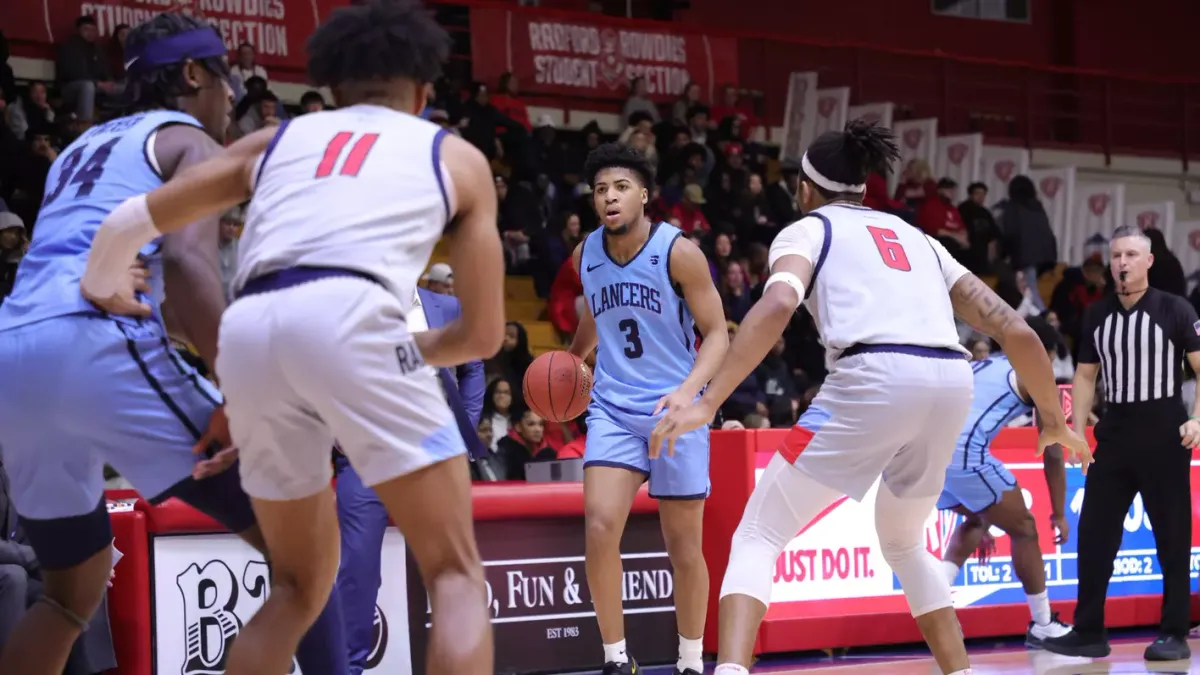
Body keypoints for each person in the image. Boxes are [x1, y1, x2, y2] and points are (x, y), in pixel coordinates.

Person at [77, 2, 504, 674]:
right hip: (356, 311)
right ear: (423, 94)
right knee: (454, 574)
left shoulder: (275, 139)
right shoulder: (455, 155)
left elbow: (127, 222)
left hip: (249, 332)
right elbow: (481, 334)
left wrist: (105, 283)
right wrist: (403, 354)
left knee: (296, 585)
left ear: (332, 91)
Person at [650, 121, 1092, 675]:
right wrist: (1051, 419)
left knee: (759, 532)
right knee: (905, 544)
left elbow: (777, 307)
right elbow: (1017, 330)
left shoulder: (806, 230)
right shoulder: (921, 240)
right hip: (950, 379)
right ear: (862, 187)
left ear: (806, 189)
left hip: (874, 374)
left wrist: (708, 401)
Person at [0, 15, 352, 675]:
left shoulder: (78, 150)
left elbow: (162, 295)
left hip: (12, 355)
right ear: (195, 75)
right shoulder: (189, 141)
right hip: (89, 343)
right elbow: (191, 267)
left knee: (70, 594)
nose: (229, 101)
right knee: (303, 552)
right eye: (226, 82)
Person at [567, 143, 728, 675]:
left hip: (673, 410)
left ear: (642, 195)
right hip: (613, 406)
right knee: (598, 526)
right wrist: (572, 363)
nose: (608, 198)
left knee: (683, 545)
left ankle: (688, 661)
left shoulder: (678, 252)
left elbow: (719, 335)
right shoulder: (583, 253)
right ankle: (616, 660)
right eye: (599, 190)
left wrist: (690, 393)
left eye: (619, 188)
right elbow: (596, 314)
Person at [1043, 226, 1200, 661]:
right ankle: (1089, 629)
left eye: (1131, 254)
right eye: (1116, 255)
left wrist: (1198, 418)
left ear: (1148, 261)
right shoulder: (1096, 314)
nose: (1122, 263)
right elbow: (1086, 375)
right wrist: (1075, 429)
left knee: (1172, 537)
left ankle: (1174, 632)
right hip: (1114, 433)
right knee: (1094, 534)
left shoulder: (1175, 309)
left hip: (1165, 432)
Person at [335, 285, 485, 675]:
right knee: (357, 569)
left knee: (453, 575)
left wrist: (463, 426)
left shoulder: (447, 306)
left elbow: (473, 362)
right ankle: (349, 669)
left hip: (432, 452)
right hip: (367, 453)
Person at [936, 316, 1073, 646]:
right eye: (1051, 356)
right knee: (1024, 528)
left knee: (979, 517)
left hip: (922, 450)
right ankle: (1042, 625)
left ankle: (934, 597)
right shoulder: (1036, 375)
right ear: (1044, 351)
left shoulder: (984, 365)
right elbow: (1053, 452)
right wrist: (1058, 513)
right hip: (961, 451)